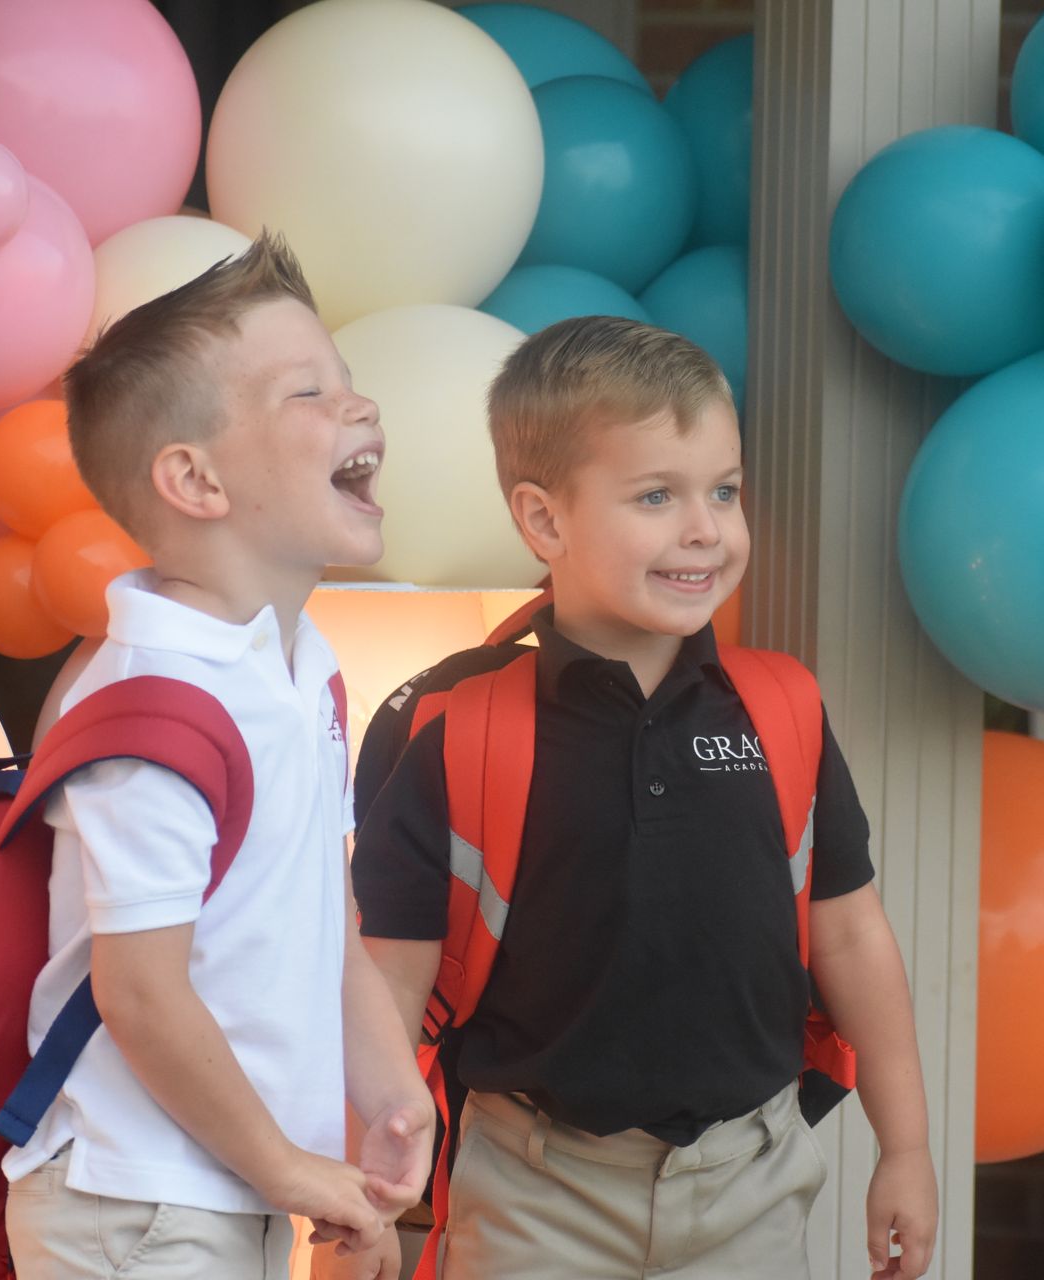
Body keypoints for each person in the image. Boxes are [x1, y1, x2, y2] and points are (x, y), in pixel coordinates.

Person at [348, 317, 938, 1279]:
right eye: (657, 495)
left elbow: (851, 935)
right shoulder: (455, 732)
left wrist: (906, 1148)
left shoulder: (782, 708)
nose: (705, 528)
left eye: (724, 491)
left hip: (752, 1177)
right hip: (534, 1192)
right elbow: (384, 989)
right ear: (544, 521)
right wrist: (368, 1194)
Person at [1, 233, 433, 1279]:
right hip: (129, 1205)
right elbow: (144, 993)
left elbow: (318, 918)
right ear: (193, 477)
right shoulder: (152, 706)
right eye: (309, 393)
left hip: (208, 1196)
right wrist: (290, 1168)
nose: (360, 407)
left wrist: (390, 1091)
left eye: (348, 382)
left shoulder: (297, 666)